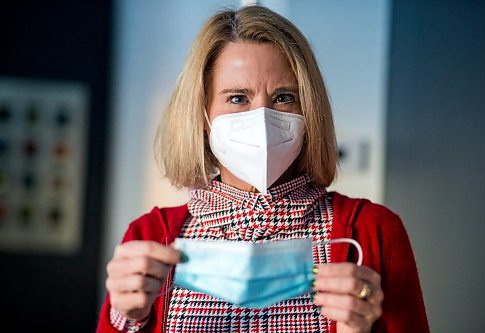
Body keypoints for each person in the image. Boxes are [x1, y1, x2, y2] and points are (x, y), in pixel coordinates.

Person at [97, 5, 429, 333]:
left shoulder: (373, 233)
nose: (263, 119)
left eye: (284, 97)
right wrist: (127, 317)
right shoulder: (151, 237)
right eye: (238, 98)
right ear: (202, 115)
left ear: (309, 110)